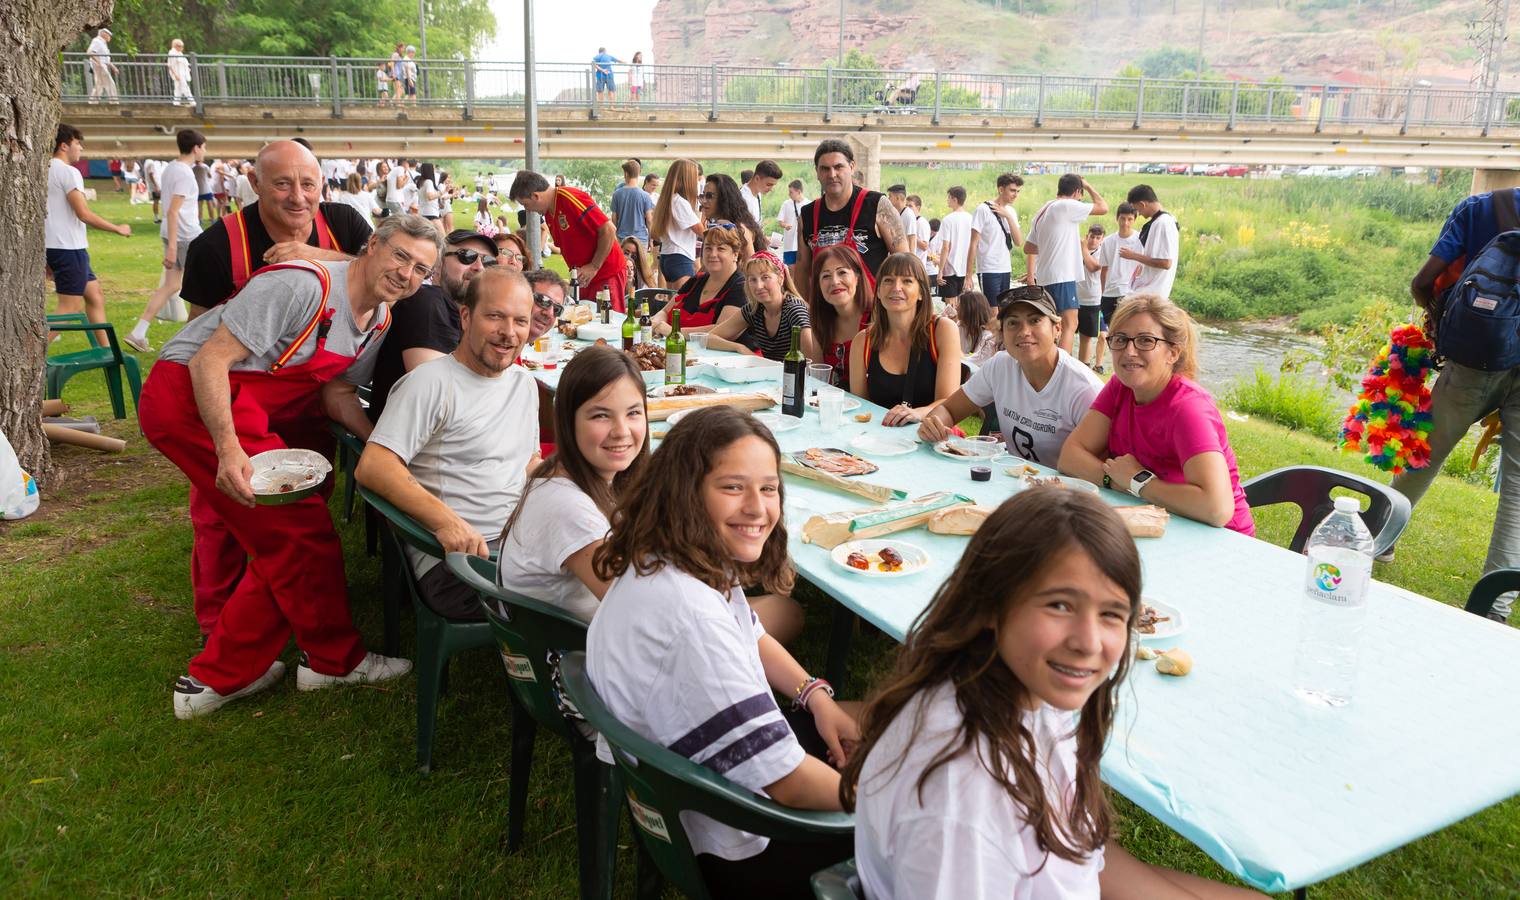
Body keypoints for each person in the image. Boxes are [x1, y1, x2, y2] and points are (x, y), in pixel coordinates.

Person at [843, 489, 1264, 900]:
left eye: (1111, 614)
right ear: (991, 603)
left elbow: (1076, 855)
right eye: (1060, 606)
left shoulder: (1022, 693)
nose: (1089, 642)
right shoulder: (964, 796)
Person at [138, 215, 440, 718]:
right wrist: (230, 448)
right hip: (189, 399)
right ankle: (233, 676)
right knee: (298, 534)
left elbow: (338, 394)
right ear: (372, 247)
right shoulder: (302, 285)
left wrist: (380, 447)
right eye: (400, 256)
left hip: (247, 407)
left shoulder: (379, 320)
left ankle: (317, 659)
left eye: (420, 269)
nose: (406, 273)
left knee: (292, 535)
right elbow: (207, 362)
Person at [586, 406, 859, 897]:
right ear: (685, 493)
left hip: (697, 795)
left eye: (769, 488)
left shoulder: (669, 560)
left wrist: (817, 699)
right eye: (733, 487)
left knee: (868, 724)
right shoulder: (691, 618)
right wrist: (889, 802)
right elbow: (790, 785)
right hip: (747, 841)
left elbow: (751, 633)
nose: (759, 508)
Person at [358, 268, 539, 621]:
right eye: (495, 316)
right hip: (458, 565)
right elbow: (374, 467)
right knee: (587, 596)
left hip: (517, 549)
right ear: (467, 316)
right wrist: (446, 523)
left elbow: (527, 460)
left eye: (520, 320)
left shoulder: (524, 383)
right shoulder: (430, 383)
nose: (508, 332)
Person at [1388, 183, 1520, 613]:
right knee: (1517, 491)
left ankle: (1379, 540)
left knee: (1426, 453)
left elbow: (1422, 281)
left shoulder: (1484, 206)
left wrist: (1438, 323)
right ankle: (1494, 606)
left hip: (1473, 361)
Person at [1059, 295, 1254, 535]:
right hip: (1155, 521)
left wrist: (1138, 481)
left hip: (1221, 538)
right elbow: (1069, 457)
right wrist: (1114, 480)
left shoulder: (1188, 408)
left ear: (1172, 353)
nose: (1129, 351)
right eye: (1120, 339)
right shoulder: (1121, 387)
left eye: (1145, 341)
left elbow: (1216, 508)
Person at [498, 346, 650, 622]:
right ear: (569, 422)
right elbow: (641, 611)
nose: (622, 431)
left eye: (633, 413)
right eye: (600, 415)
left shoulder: (569, 473)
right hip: (572, 656)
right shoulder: (569, 508)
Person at [182, 140, 373, 320]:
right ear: (255, 183)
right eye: (282, 184)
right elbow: (196, 338)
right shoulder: (214, 247)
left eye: (308, 184)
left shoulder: (344, 222)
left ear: (321, 183)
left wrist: (320, 258)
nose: (298, 197)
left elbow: (388, 275)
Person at [922, 286, 1101, 465]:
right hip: (1011, 478)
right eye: (1013, 323)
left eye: (1035, 320)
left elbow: (1100, 467)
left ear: (1058, 328)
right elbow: (948, 410)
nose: (1024, 332)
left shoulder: (1083, 389)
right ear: (1003, 332)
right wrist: (934, 424)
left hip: (1065, 489)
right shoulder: (1000, 366)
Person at [368, 229, 501, 423]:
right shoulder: (428, 304)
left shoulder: (462, 314)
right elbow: (438, 398)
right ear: (437, 266)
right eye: (467, 256)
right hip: (419, 441)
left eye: (488, 261)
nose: (479, 267)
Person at [849, 253, 962, 426]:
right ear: (878, 291)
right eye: (888, 280)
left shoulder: (942, 330)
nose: (896, 287)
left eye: (907, 281)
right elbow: (860, 409)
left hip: (931, 438)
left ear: (921, 293)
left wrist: (916, 413)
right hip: (877, 439)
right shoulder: (863, 341)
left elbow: (948, 401)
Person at [126, 129, 206, 352]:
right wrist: (172, 248)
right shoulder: (184, 173)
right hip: (185, 236)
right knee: (202, 289)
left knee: (172, 285)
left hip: (175, 234)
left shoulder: (172, 168)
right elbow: (173, 211)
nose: (205, 151)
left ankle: (139, 332)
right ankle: (194, 341)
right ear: (196, 148)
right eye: (204, 147)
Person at [795, 139, 908, 295]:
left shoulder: (877, 205)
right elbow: (802, 270)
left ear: (852, 167)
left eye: (838, 167)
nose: (832, 174)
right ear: (817, 172)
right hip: (826, 312)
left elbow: (904, 262)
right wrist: (806, 311)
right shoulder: (807, 214)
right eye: (825, 169)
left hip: (871, 313)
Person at [45, 124, 131, 327]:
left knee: (95, 295)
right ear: (64, 146)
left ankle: (107, 351)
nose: (81, 148)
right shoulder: (69, 172)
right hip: (68, 248)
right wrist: (117, 228)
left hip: (55, 246)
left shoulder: (43, 169)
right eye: (77, 143)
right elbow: (83, 213)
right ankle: (32, 356)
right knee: (70, 308)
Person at [510, 169, 628, 311]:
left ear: (535, 196)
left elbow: (609, 229)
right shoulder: (548, 212)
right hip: (585, 278)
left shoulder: (569, 197)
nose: (528, 210)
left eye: (525, 204)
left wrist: (594, 266)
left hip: (606, 273)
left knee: (608, 323)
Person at [1025, 175, 1109, 354]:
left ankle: (1047, 362)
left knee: (1052, 325)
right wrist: (1088, 185)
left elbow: (1029, 247)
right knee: (1070, 323)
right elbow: (1103, 208)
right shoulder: (1066, 205)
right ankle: (1062, 367)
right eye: (1081, 194)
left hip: (1045, 277)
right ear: (1077, 192)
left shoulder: (1043, 210)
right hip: (1061, 276)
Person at [704, 251, 817, 362]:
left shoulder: (795, 310)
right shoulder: (754, 309)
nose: (759, 286)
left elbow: (811, 362)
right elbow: (708, 338)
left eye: (765, 277)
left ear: (781, 278)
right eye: (753, 279)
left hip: (793, 377)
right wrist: (740, 348)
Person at [651, 225, 747, 335]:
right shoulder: (696, 280)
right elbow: (664, 311)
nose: (712, 254)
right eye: (708, 248)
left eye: (721, 248)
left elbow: (724, 332)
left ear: (735, 254)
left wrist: (676, 333)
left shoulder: (741, 286)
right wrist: (655, 323)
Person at [809, 243, 874, 385]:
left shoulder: (877, 318)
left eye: (842, 272)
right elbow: (817, 380)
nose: (834, 281)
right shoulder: (820, 322)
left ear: (857, 277)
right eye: (826, 276)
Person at [1094, 203, 1144, 374]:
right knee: (1112, 334)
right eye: (1123, 218)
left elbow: (1141, 267)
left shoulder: (1139, 240)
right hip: (1110, 293)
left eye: (1130, 219)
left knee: (1128, 332)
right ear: (1117, 218)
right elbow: (1104, 269)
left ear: (1135, 220)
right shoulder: (1109, 242)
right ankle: (1114, 367)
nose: (1126, 223)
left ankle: (1125, 369)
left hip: (1130, 293)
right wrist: (1102, 292)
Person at [968, 173, 1024, 305]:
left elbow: (1018, 241)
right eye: (1012, 190)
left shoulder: (1011, 212)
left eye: (1017, 191)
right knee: (992, 311)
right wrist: (968, 275)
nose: (1015, 194)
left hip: (1005, 268)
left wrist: (1008, 217)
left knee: (1004, 311)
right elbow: (973, 244)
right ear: (1001, 189)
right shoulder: (983, 210)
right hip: (988, 268)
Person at [651, 158, 705, 291]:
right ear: (688, 180)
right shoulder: (680, 202)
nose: (697, 182)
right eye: (695, 178)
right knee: (683, 304)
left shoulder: (669, 200)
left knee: (674, 304)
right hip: (680, 257)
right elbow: (700, 231)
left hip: (668, 256)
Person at [1123, 184, 1179, 300]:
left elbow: (1165, 263)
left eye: (1137, 209)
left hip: (1151, 292)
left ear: (1143, 204)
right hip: (1148, 290)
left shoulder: (1162, 223)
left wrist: (1134, 256)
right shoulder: (1164, 220)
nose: (1139, 213)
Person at [703, 173, 767, 258]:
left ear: (724, 198)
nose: (704, 201)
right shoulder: (718, 225)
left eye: (709, 196)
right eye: (703, 195)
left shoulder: (740, 228)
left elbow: (750, 266)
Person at [935, 186, 973, 301]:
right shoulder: (971, 218)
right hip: (965, 268)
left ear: (955, 199)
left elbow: (946, 247)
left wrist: (940, 270)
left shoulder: (948, 220)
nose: (947, 200)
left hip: (950, 268)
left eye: (949, 198)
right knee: (961, 306)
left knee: (950, 307)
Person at [1075, 224, 1106, 369]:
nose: (1094, 240)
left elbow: (1093, 267)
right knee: (1065, 331)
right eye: (1091, 237)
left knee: (1085, 337)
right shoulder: (1077, 249)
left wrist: (1083, 248)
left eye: (1097, 238)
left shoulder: (1102, 252)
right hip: (1074, 297)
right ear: (1087, 236)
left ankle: (1084, 367)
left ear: (1102, 239)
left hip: (1092, 300)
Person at [609, 159, 654, 246]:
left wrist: (614, 237)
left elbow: (614, 219)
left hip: (622, 239)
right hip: (641, 239)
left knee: (622, 260)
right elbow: (649, 220)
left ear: (626, 173)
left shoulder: (617, 194)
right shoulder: (645, 195)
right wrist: (650, 239)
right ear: (639, 173)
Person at [949, 290, 998, 365]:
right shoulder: (961, 326)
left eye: (959, 305)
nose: (956, 307)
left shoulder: (989, 336)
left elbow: (979, 362)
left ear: (969, 310)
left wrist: (955, 352)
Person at [740, 160, 782, 226]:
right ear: (757, 179)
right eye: (769, 184)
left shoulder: (758, 193)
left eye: (773, 185)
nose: (771, 189)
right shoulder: (743, 199)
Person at [777, 179, 807, 269]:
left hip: (802, 244)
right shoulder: (786, 204)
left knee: (802, 268)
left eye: (791, 192)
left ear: (798, 192)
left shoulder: (808, 204)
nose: (789, 194)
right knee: (790, 268)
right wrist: (785, 225)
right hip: (789, 244)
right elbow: (780, 221)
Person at [86, 29, 119, 103]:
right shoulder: (97, 41)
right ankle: (114, 102)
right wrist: (99, 63)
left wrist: (113, 67)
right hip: (100, 66)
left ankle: (92, 103)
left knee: (99, 85)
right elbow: (90, 52)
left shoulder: (103, 44)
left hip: (102, 65)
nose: (110, 37)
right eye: (109, 35)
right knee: (110, 83)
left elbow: (106, 59)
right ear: (104, 34)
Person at [886, 185, 917, 256]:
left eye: (890, 196)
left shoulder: (909, 215)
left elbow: (912, 239)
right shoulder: (894, 213)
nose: (888, 199)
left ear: (898, 198)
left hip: (905, 259)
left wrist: (910, 261)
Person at [415, 162, 444, 233]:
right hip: (430, 213)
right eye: (433, 169)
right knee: (442, 236)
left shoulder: (421, 182)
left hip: (423, 212)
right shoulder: (428, 182)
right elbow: (430, 197)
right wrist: (441, 192)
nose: (434, 171)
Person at [166, 38, 194, 106]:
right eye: (181, 46)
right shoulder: (172, 53)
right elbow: (170, 65)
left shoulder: (179, 53)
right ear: (176, 46)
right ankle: (192, 101)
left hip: (182, 73)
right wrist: (175, 75)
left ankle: (176, 102)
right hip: (178, 73)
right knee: (185, 87)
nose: (182, 48)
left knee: (178, 87)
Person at [908, 195, 931, 268]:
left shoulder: (921, 222)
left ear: (918, 208)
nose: (908, 208)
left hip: (918, 266)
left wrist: (911, 236)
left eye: (910, 206)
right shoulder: (912, 221)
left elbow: (924, 246)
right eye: (906, 206)